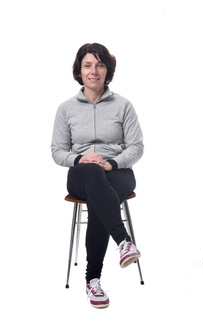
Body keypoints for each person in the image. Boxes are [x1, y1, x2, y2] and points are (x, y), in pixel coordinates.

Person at [51, 43, 144, 308]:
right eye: (88, 65)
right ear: (79, 71)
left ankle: (93, 281)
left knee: (101, 198)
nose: (94, 71)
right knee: (93, 175)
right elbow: (57, 152)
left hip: (118, 173)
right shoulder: (66, 109)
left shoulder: (124, 105)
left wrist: (113, 163)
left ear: (108, 70)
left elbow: (136, 147)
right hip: (81, 174)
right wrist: (80, 158)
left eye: (100, 65)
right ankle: (124, 242)